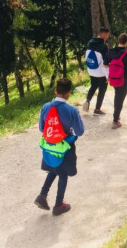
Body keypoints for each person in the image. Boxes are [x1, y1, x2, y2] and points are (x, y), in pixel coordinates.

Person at [34, 78, 85, 216]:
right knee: (62, 173)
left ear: (56, 91)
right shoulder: (71, 110)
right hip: (64, 147)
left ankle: (42, 195)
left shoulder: (46, 107)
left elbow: (41, 128)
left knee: (54, 168)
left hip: (49, 147)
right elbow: (80, 131)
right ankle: (58, 205)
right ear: (69, 93)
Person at [103, 33, 127, 129]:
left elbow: (105, 64)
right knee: (120, 99)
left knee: (117, 95)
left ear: (118, 41)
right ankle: (115, 120)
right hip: (123, 79)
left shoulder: (110, 51)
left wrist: (113, 70)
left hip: (113, 79)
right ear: (126, 42)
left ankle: (116, 115)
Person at [83, 27, 110, 115]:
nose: (107, 36)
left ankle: (87, 100)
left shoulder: (90, 42)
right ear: (104, 34)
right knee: (102, 90)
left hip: (91, 70)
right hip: (101, 72)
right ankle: (97, 109)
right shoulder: (104, 46)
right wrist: (108, 76)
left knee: (93, 85)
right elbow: (106, 62)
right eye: (107, 34)